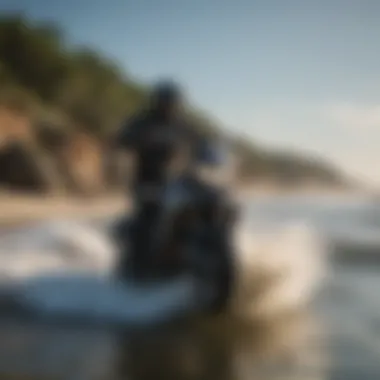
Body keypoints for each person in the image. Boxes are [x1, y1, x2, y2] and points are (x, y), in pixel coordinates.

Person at [114, 80, 211, 278]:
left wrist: (209, 152)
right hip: (146, 179)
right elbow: (123, 138)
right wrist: (136, 139)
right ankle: (140, 267)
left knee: (201, 206)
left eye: (174, 102)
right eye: (168, 101)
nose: (171, 106)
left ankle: (193, 256)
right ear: (158, 102)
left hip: (174, 180)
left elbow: (201, 141)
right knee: (151, 219)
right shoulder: (144, 122)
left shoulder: (180, 124)